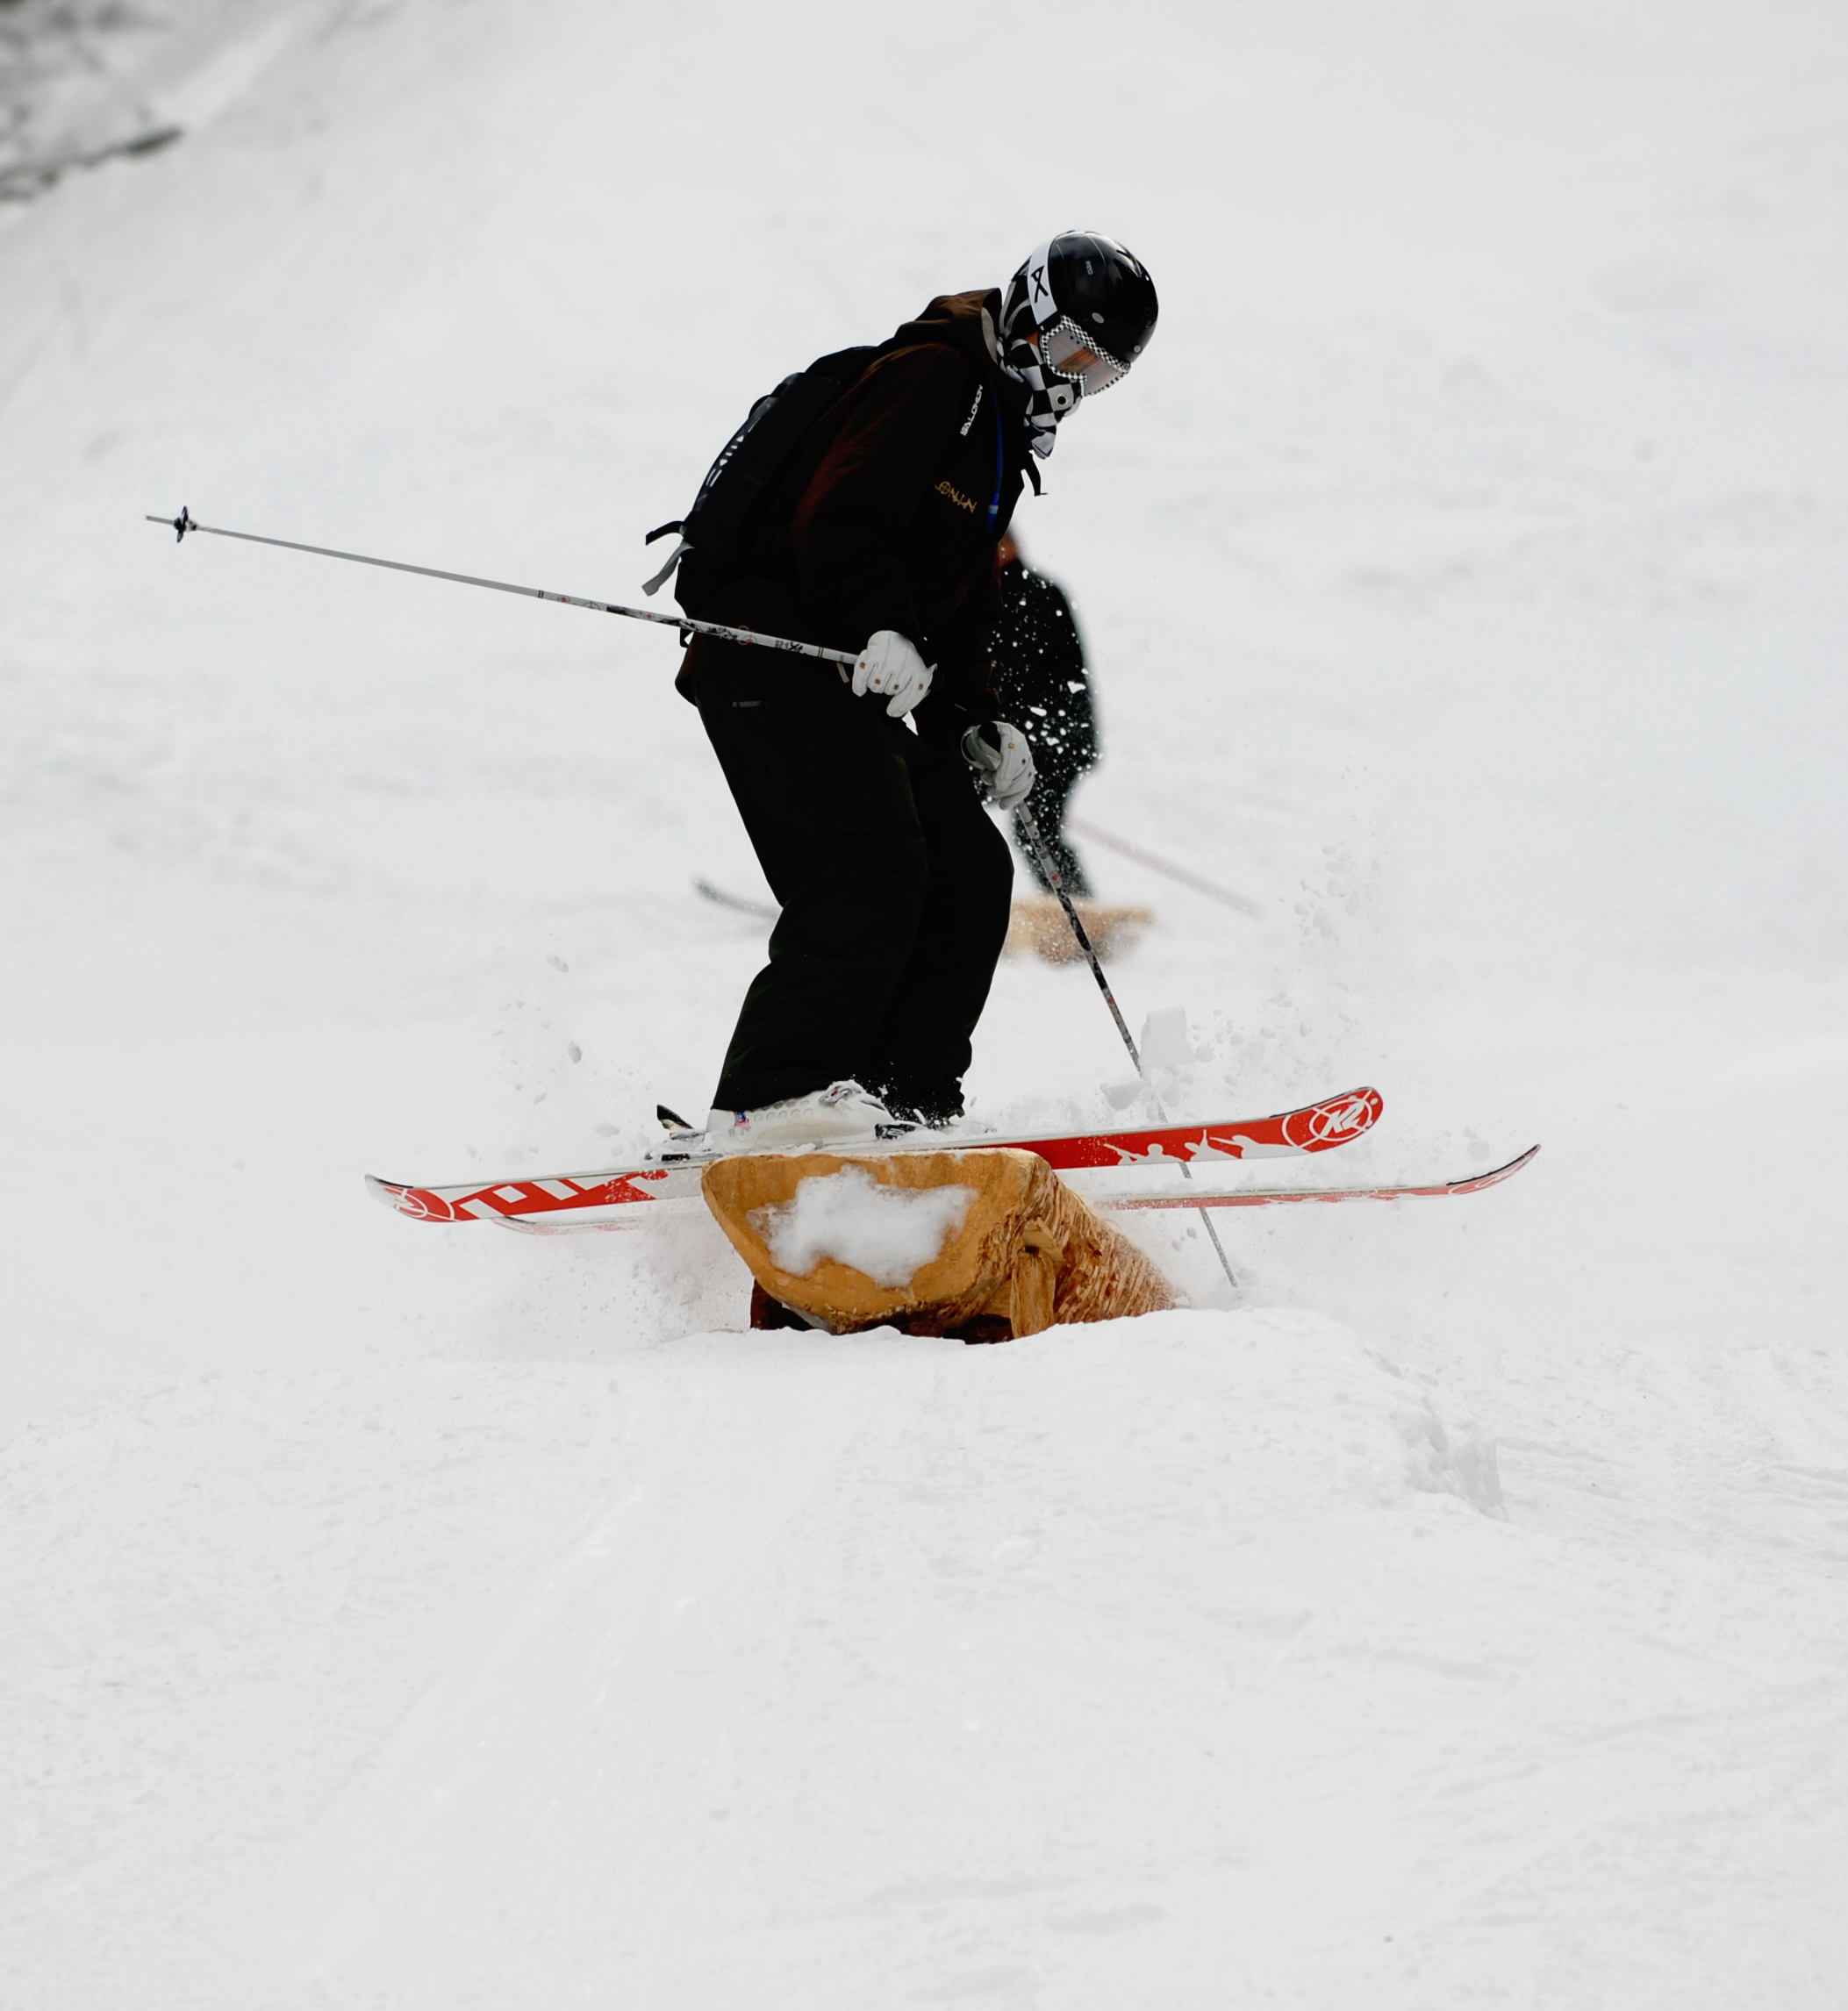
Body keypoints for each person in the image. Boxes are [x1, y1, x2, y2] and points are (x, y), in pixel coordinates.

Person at [675, 233, 1159, 1150]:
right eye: (1068, 350)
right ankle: (769, 1105)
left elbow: (961, 602)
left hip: (847, 675)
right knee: (870, 868)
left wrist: (977, 721)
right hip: (768, 659)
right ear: (1028, 314)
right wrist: (877, 625)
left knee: (971, 874)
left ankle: (906, 1103)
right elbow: (838, 516)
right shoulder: (935, 379)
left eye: (1096, 372)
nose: (1072, 379)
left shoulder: (1002, 432)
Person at [989, 531, 1099, 897]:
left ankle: (1076, 910)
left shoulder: (1039, 595)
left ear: (1011, 546)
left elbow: (1048, 677)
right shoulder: (978, 598)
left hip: (1054, 740)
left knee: (1037, 828)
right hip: (1008, 740)